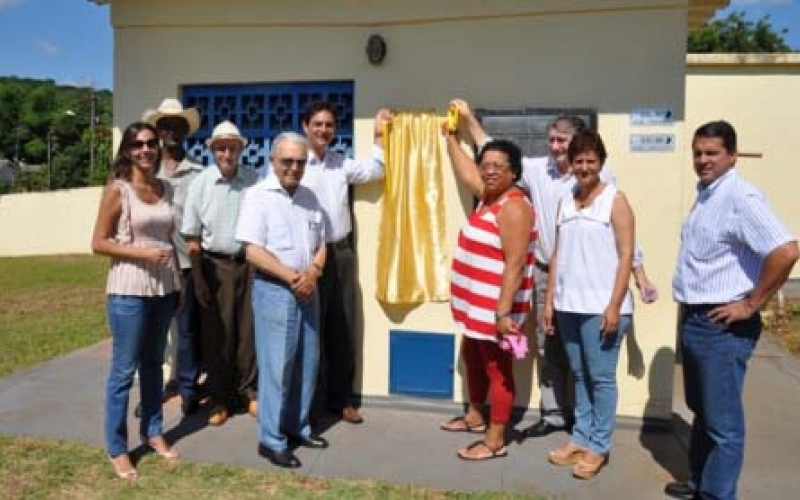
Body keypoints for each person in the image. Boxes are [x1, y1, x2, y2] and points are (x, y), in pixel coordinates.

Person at [450, 100, 656, 439]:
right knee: (550, 346)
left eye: (563, 141)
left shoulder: (599, 182)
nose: (555, 146)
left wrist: (640, 275)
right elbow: (490, 151)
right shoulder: (537, 169)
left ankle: (585, 425)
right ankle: (555, 413)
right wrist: (466, 119)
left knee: (587, 359)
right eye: (553, 139)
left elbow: (625, 237)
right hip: (546, 269)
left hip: (589, 279)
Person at [665, 121, 798, 500]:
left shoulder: (741, 197)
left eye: (712, 153)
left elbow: (786, 250)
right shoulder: (707, 193)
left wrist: (751, 303)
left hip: (721, 326)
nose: (703, 160)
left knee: (723, 425)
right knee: (702, 410)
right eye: (698, 153)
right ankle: (700, 481)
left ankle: (717, 495)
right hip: (695, 318)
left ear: (732, 155)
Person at [91, 122, 181, 480]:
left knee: (154, 363)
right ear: (127, 150)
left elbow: (169, 240)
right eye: (138, 144)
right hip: (128, 288)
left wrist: (179, 284)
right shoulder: (118, 190)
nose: (146, 149)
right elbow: (98, 242)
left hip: (164, 288)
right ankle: (117, 448)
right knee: (123, 371)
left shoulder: (166, 188)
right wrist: (141, 253)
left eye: (151, 144)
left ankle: (154, 430)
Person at [543, 130, 634, 479]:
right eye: (578, 161)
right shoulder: (565, 200)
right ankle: (580, 436)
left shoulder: (615, 199)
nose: (584, 167)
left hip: (602, 308)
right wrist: (550, 300)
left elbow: (627, 255)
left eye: (590, 161)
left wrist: (613, 305)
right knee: (579, 375)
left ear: (601, 162)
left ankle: (599, 446)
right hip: (569, 305)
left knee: (601, 378)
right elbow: (558, 254)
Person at [440, 134, 536, 461]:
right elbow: (468, 171)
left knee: (499, 369)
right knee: (472, 355)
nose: (489, 171)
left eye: (498, 166)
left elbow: (515, 263)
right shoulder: (488, 197)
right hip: (476, 307)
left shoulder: (514, 206)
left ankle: (495, 440)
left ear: (514, 172)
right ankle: (476, 415)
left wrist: (503, 314)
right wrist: (450, 137)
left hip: (498, 310)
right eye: (486, 165)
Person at [236, 132, 327, 469]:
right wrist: (292, 277)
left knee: (307, 362)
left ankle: (297, 427)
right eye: (287, 161)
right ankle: (271, 440)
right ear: (272, 161)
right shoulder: (258, 196)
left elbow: (323, 243)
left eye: (300, 162)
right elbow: (252, 251)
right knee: (277, 368)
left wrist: (314, 272)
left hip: (308, 289)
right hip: (276, 290)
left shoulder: (310, 197)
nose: (294, 167)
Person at [300, 101, 391, 424]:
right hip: (308, 259)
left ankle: (341, 400)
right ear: (305, 127)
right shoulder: (296, 164)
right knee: (308, 331)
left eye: (329, 125)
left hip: (340, 255)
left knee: (342, 327)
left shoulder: (340, 164)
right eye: (318, 124)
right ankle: (306, 403)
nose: (324, 130)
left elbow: (376, 170)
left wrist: (379, 135)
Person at [182, 120, 258, 426]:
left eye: (233, 147)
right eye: (221, 148)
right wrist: (199, 278)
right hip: (215, 266)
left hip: (251, 262)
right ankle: (220, 398)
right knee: (219, 334)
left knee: (249, 332)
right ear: (213, 150)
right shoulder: (200, 183)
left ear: (241, 149)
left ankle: (249, 393)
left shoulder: (253, 179)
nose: (228, 153)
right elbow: (191, 237)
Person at [146, 98, 205, 415]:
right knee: (152, 331)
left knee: (186, 329)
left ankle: (187, 387)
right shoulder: (145, 168)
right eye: (164, 125)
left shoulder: (198, 172)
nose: (170, 131)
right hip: (150, 264)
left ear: (185, 130)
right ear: (158, 130)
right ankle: (152, 392)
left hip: (185, 264)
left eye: (176, 125)